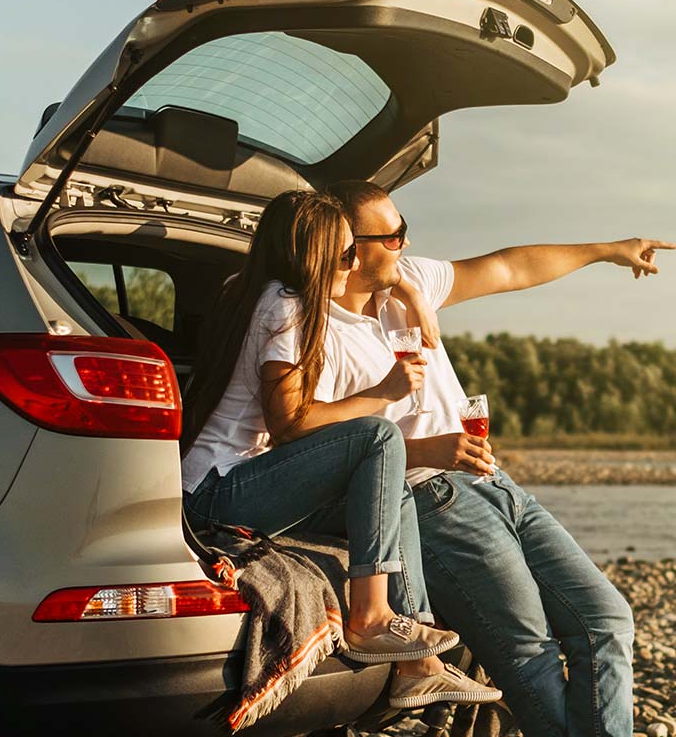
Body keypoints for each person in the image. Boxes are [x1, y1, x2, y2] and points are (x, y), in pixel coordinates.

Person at [315, 179, 676, 737]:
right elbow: (316, 438)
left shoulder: (411, 283)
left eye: (404, 228)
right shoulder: (317, 325)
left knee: (605, 615)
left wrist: (609, 249)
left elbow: (511, 266)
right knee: (527, 652)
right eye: (389, 236)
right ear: (344, 251)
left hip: (496, 484)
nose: (405, 244)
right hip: (429, 501)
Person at [180, 190, 498, 709]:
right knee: (380, 436)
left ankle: (416, 656)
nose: (353, 265)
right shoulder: (286, 305)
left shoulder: (257, 291)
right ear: (315, 256)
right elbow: (288, 423)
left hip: (235, 480)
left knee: (389, 479)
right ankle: (370, 619)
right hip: (216, 491)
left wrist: (413, 296)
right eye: (346, 253)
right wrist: (383, 395)